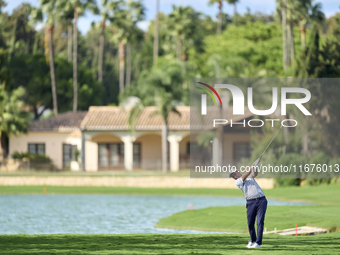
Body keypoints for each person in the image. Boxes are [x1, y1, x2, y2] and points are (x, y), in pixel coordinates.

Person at [229, 158, 267, 249]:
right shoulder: (238, 182)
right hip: (251, 202)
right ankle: (252, 240)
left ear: (237, 171)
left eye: (234, 174)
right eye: (232, 176)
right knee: (250, 223)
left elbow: (254, 174)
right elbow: (246, 175)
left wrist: (256, 167)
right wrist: (253, 165)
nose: (234, 177)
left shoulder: (249, 177)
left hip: (261, 200)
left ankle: (258, 242)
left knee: (260, 222)